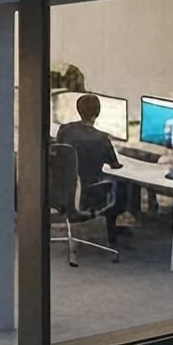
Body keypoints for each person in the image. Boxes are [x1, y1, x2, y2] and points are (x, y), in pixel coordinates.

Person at [55, 94, 128, 243]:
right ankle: (112, 229)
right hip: (86, 193)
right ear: (98, 113)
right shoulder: (101, 138)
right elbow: (115, 165)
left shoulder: (64, 130)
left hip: (62, 191)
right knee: (123, 185)